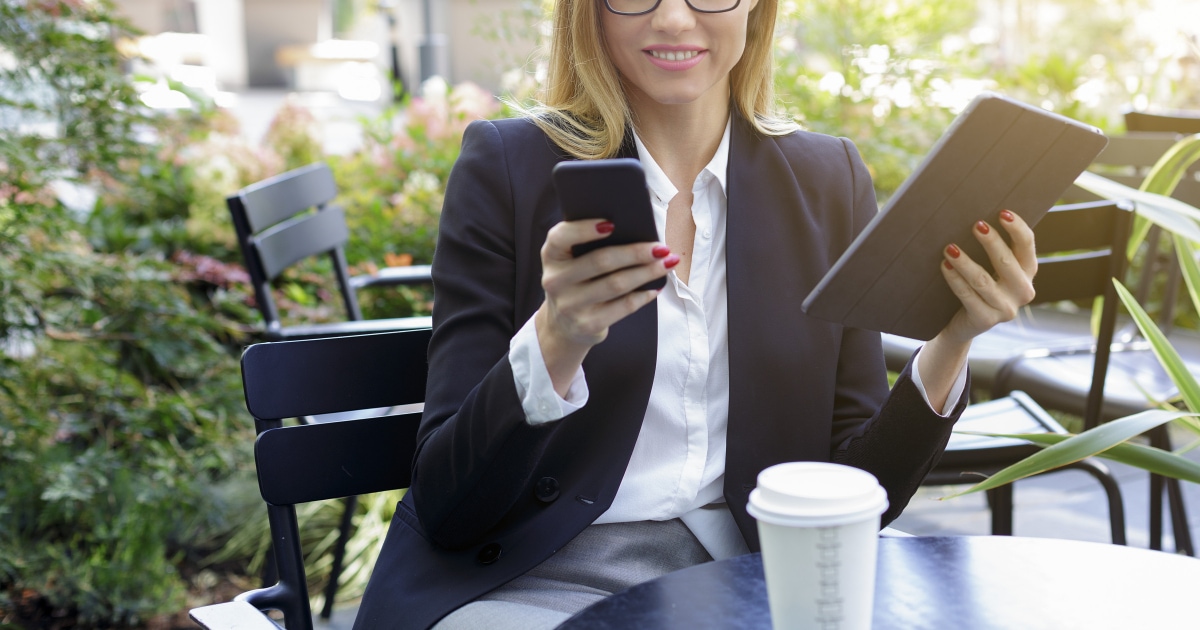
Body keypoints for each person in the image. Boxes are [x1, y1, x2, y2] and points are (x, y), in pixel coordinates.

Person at [353, 0, 1037, 626]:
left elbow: (860, 494)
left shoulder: (828, 181)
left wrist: (954, 339)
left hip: (746, 580)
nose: (674, 19)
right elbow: (449, 504)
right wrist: (557, 339)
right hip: (533, 577)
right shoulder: (507, 168)